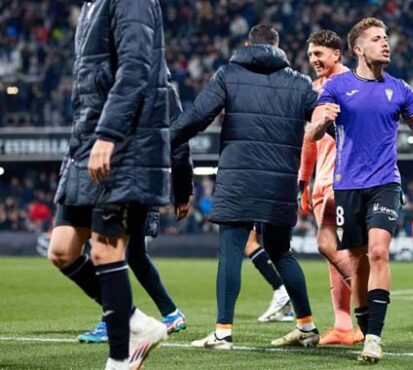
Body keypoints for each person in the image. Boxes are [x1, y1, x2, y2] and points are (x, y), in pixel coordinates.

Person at [305, 17, 413, 363]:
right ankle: (365, 331)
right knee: (358, 260)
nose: (385, 43)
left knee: (379, 251)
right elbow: (313, 134)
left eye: (386, 38)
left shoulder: (400, 89)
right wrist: (320, 122)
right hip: (348, 185)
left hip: (385, 183)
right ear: (358, 48)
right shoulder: (335, 88)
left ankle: (375, 338)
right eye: (377, 38)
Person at [171, 24, 321, 350]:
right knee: (282, 253)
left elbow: (197, 116)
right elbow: (327, 120)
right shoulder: (299, 82)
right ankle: (307, 327)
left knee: (230, 254)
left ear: (247, 44)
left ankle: (223, 332)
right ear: (278, 48)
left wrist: (164, 141)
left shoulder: (229, 75)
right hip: (281, 183)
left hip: (239, 180)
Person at [50, 0, 173, 368]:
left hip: (123, 142)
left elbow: (135, 68)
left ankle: (119, 359)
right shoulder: (91, 6)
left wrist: (109, 134)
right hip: (88, 137)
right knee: (62, 250)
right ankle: (135, 321)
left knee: (106, 251)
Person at [70, 79, 193, 345]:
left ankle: (114, 319)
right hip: (143, 179)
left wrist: (182, 191)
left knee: (107, 248)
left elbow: (179, 141)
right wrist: (182, 191)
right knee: (134, 253)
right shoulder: (164, 89)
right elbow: (180, 141)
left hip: (128, 178)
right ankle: (171, 313)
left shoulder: (132, 85)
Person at [298, 29, 364, 346]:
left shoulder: (354, 85)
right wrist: (303, 181)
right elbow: (309, 144)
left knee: (335, 246)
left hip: (346, 178)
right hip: (322, 180)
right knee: (332, 253)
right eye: (310, 55)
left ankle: (366, 308)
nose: (314, 61)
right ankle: (342, 324)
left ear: (336, 54)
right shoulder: (315, 89)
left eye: (319, 54)